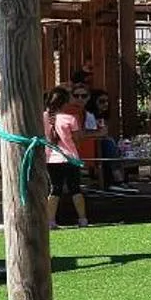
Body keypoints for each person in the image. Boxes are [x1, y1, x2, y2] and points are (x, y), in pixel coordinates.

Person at [44, 87, 90, 228]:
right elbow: (78, 139)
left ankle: (50, 220)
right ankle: (82, 219)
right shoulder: (71, 119)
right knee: (75, 188)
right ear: (65, 102)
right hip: (70, 158)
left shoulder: (43, 117)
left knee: (55, 189)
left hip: (51, 158)